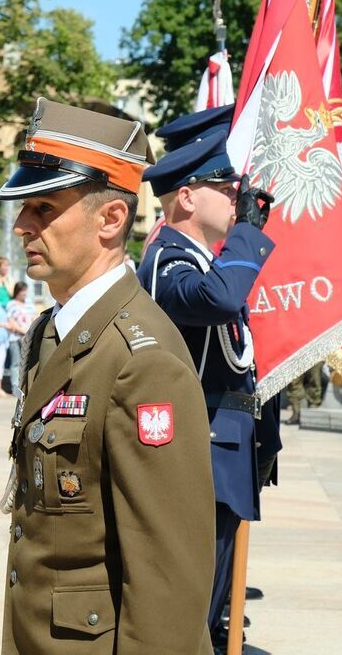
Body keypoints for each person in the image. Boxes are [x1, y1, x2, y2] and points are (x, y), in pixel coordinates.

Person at [0, 97, 214, 654]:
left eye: (43, 208)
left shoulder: (141, 359)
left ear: (112, 219)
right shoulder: (56, 330)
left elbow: (168, 569)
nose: (23, 225)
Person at [136, 116, 277, 650]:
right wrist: (249, 233)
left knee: (212, 599)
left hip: (224, 448)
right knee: (190, 602)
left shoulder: (205, 261)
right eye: (228, 189)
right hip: (197, 451)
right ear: (189, 199)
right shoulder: (166, 261)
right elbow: (216, 301)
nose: (239, 200)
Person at [5, 281, 35, 393]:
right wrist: (22, 331)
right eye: (22, 291)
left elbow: (35, 318)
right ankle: (15, 387)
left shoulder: (29, 304)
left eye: (25, 290)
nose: (24, 293)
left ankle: (26, 386)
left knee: (28, 362)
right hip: (15, 337)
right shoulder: (11, 304)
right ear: (17, 291)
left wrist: (29, 332)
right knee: (16, 362)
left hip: (28, 337)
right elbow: (10, 321)